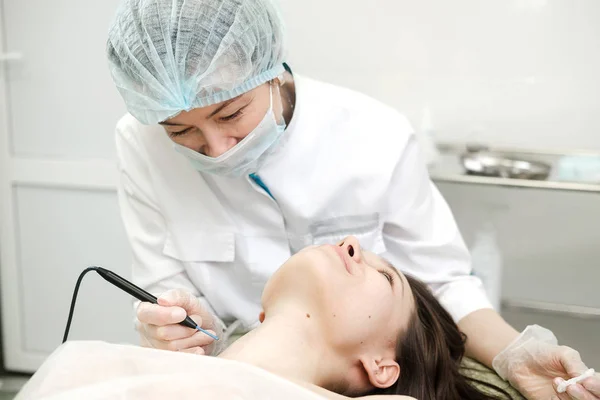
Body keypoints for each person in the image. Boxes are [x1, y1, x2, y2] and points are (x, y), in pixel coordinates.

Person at [106, 1, 599, 399]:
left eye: (232, 113)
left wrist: (513, 352)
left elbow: (443, 281)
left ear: (270, 71)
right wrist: (181, 330)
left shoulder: (372, 132)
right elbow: (162, 288)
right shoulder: (138, 143)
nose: (215, 149)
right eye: (181, 131)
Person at [17, 237, 536, 400]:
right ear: (262, 311)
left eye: (384, 276)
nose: (352, 243)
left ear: (383, 367)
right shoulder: (83, 362)